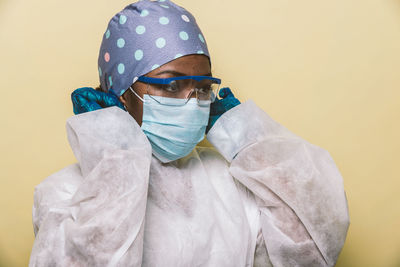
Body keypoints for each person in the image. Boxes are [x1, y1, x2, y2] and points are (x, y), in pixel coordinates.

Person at [29, 1, 350, 266]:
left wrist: (245, 135)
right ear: (122, 95)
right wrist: (114, 153)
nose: (191, 101)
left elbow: (313, 247)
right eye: (170, 85)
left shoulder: (233, 183)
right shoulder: (66, 193)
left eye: (200, 87)